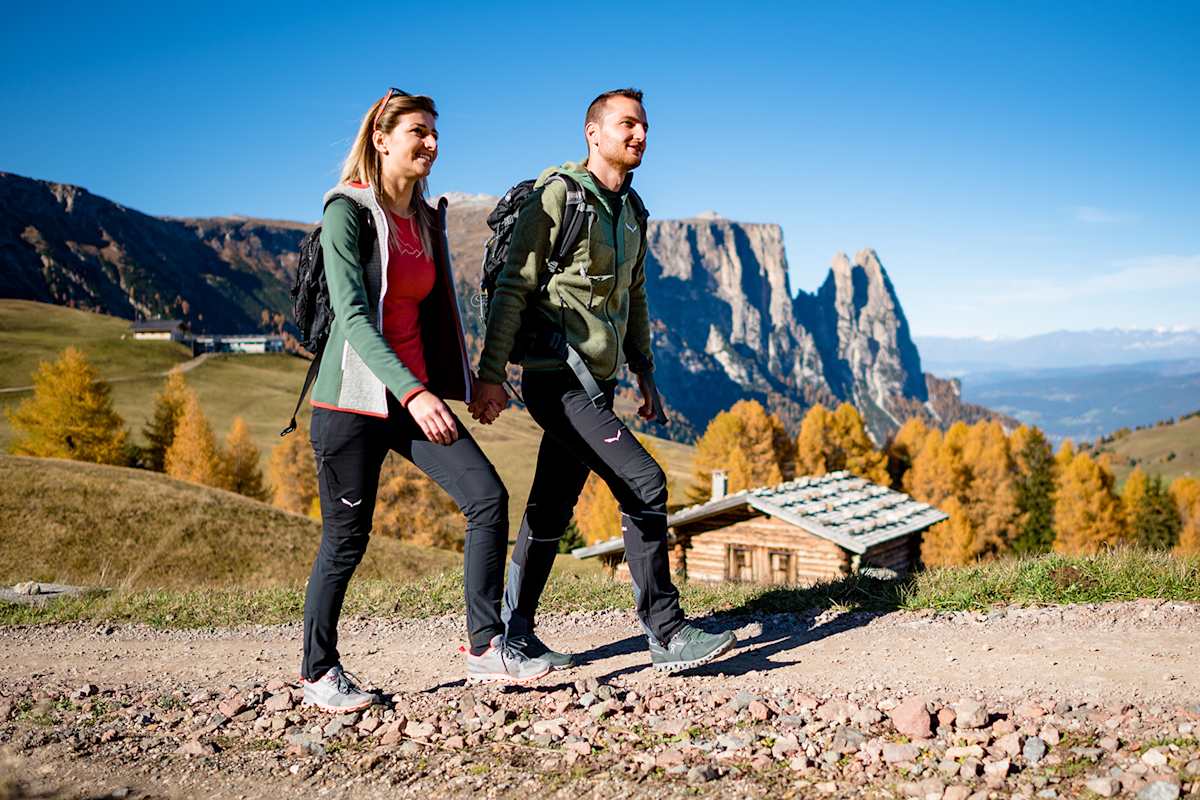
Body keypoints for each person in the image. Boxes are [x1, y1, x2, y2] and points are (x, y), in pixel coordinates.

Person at [469, 88, 737, 672]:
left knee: (551, 505)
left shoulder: (632, 211)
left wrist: (646, 374)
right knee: (645, 482)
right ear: (593, 133)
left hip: (600, 380)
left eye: (645, 126)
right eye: (627, 125)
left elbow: (635, 296)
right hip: (554, 378)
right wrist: (491, 377)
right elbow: (514, 288)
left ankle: (512, 635)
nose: (639, 135)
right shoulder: (560, 197)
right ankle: (666, 632)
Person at [300, 89, 551, 712]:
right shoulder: (348, 213)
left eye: (436, 134)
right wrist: (413, 393)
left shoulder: (426, 218)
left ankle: (486, 646)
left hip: (413, 398)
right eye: (419, 132)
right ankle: (318, 672)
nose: (432, 144)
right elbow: (355, 320)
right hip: (354, 401)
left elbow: (439, 316)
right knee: (347, 537)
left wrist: (471, 387)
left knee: (486, 497)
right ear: (382, 139)